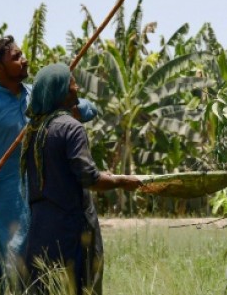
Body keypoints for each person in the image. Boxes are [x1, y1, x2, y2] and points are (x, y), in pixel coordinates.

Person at [0, 35, 100, 295]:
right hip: (7, 207)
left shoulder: (39, 98)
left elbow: (88, 108)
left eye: (22, 54)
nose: (24, 59)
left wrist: (75, 111)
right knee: (13, 277)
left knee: (50, 276)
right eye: (16, 57)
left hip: (42, 200)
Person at [16, 63, 140, 295]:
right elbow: (90, 178)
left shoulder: (34, 130)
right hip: (71, 230)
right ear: (62, 92)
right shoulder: (71, 127)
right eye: (72, 84)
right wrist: (122, 181)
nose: (77, 87)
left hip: (41, 229)